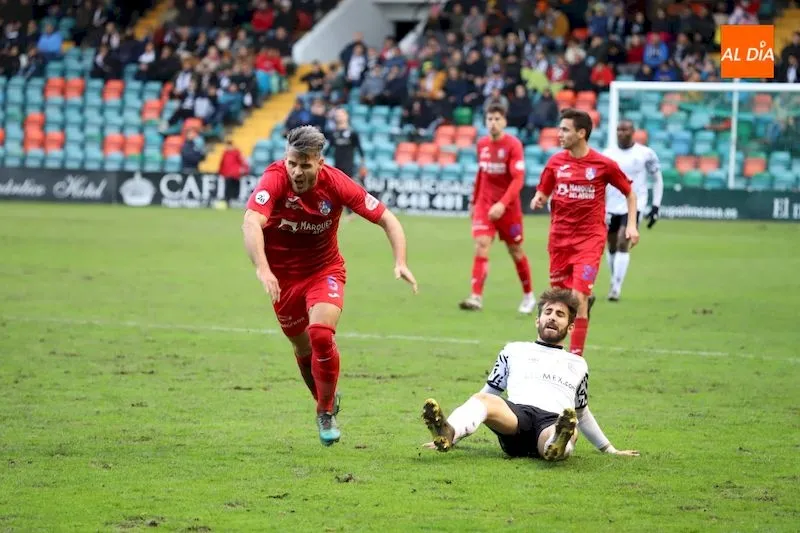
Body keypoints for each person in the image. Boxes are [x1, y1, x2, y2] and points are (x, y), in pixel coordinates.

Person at [242, 126, 418, 446]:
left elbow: (387, 219)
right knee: (303, 350)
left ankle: (324, 411)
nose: (297, 171)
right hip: (282, 281)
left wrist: (401, 261)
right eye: (292, 162)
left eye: (305, 164)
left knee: (320, 334)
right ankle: (325, 399)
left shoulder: (336, 183)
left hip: (324, 271)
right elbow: (251, 220)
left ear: (320, 163)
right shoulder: (275, 179)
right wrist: (263, 269)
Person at [422, 289, 639, 461]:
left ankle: (556, 444)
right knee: (482, 400)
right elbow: (488, 394)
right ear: (538, 321)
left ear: (571, 327)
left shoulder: (578, 364)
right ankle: (448, 434)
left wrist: (609, 449)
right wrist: (457, 430)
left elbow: (581, 413)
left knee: (568, 427)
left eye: (560, 315)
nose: (552, 318)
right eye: (548, 313)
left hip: (553, 420)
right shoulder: (513, 350)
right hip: (516, 418)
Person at [530, 109, 639, 357]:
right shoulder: (555, 163)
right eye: (559, 129)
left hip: (589, 240)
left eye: (565, 129)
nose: (559, 134)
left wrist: (631, 225)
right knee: (558, 301)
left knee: (578, 296)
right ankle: (552, 351)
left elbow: (630, 193)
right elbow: (543, 191)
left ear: (581, 133)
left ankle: (575, 357)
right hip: (559, 240)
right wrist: (539, 198)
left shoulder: (603, 165)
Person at [459, 103, 536, 314]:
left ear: (504, 121)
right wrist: (474, 202)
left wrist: (502, 204)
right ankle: (476, 296)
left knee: (515, 250)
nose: (493, 123)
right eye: (489, 119)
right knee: (481, 244)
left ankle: (528, 295)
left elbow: (518, 179)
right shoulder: (482, 144)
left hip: (508, 208)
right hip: (485, 205)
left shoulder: (513, 145)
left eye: (497, 119)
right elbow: (481, 174)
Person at [603, 119, 664, 302]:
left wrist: (655, 206)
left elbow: (657, 179)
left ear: (633, 131)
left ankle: (616, 287)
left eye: (626, 129)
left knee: (623, 240)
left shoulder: (646, 153)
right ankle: (614, 280)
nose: (622, 133)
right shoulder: (607, 154)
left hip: (634, 204)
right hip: (611, 205)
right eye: (619, 129)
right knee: (612, 245)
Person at [325, 108, 366, 220]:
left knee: (348, 188)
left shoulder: (352, 133)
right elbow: (329, 149)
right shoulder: (334, 133)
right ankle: (339, 211)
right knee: (336, 188)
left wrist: (363, 164)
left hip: (349, 165)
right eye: (337, 115)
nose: (339, 117)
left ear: (346, 116)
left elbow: (359, 148)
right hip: (338, 165)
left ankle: (352, 210)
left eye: (341, 114)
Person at [218, 139, 249, 208]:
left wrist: (245, 170)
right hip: (227, 175)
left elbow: (242, 161)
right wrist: (220, 172)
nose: (228, 147)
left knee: (234, 188)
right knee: (228, 189)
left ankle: (233, 201)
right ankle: (228, 202)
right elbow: (222, 163)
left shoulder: (236, 152)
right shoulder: (225, 153)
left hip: (235, 175)